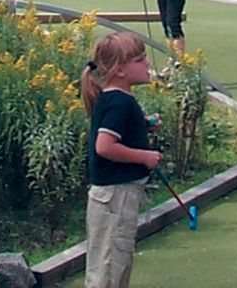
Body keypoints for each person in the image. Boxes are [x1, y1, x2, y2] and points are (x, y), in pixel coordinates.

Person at [80, 31, 161, 288]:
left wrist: (144, 125)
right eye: (139, 59)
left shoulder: (115, 99)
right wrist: (145, 156)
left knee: (114, 263)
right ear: (120, 70)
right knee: (110, 266)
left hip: (115, 196)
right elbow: (104, 146)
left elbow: (115, 131)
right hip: (116, 197)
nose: (147, 64)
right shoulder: (119, 103)